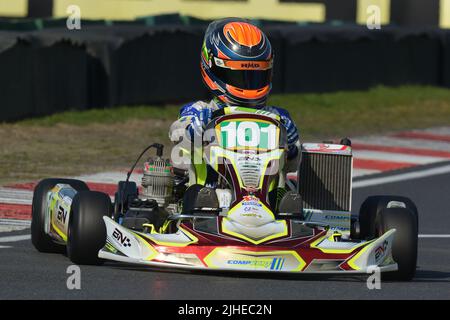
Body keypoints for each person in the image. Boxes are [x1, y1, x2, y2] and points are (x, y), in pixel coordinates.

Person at [170, 18, 300, 186]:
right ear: (212, 67)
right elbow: (178, 154)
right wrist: (193, 131)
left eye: (256, 77)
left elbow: (293, 166)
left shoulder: (278, 117)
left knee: (291, 189)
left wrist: (292, 147)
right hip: (207, 200)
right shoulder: (199, 111)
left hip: (267, 200)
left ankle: (283, 205)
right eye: (239, 77)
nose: (248, 85)